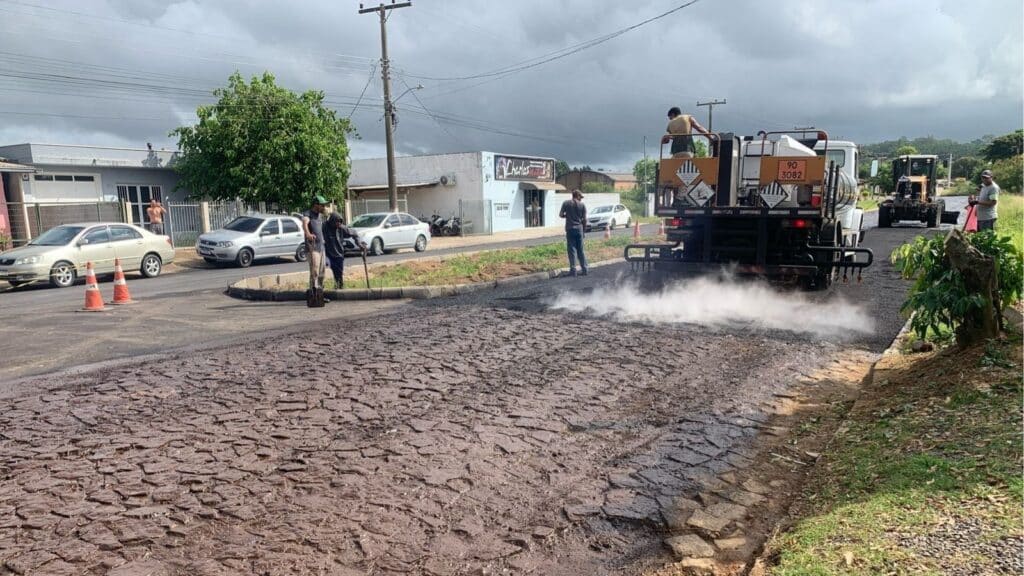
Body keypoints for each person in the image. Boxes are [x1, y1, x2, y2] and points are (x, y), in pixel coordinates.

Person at [323, 211, 364, 288]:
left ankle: (339, 287)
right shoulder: (324, 227)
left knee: (339, 273)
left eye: (340, 222)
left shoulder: (341, 228)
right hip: (328, 255)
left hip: (339, 255)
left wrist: (359, 243)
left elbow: (354, 233)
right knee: (330, 269)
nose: (338, 224)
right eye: (337, 222)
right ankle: (331, 286)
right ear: (332, 221)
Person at [302, 195, 328, 294]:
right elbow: (304, 223)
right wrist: (308, 234)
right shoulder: (308, 214)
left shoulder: (319, 215)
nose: (324, 207)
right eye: (322, 205)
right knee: (315, 271)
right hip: (312, 248)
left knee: (322, 272)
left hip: (321, 247)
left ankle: (320, 294)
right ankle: (313, 294)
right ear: (316, 205)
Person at [559, 189, 588, 276]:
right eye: (580, 197)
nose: (581, 199)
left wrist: (567, 215)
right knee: (581, 250)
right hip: (579, 228)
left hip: (570, 229)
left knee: (572, 250)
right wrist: (584, 231)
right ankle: (584, 269)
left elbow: (560, 215)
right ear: (577, 196)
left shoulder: (566, 203)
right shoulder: (582, 205)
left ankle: (573, 270)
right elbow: (585, 219)